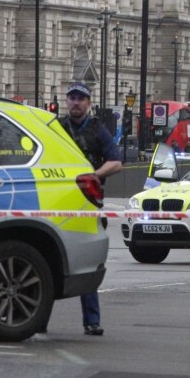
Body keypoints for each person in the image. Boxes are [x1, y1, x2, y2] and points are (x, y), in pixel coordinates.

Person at [60, 82, 123, 336]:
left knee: (88, 261)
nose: (75, 102)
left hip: (87, 200)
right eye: (72, 98)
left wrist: (93, 175)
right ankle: (38, 321)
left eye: (80, 99)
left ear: (88, 102)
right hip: (58, 198)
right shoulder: (57, 127)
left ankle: (92, 320)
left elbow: (116, 162)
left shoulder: (98, 129)